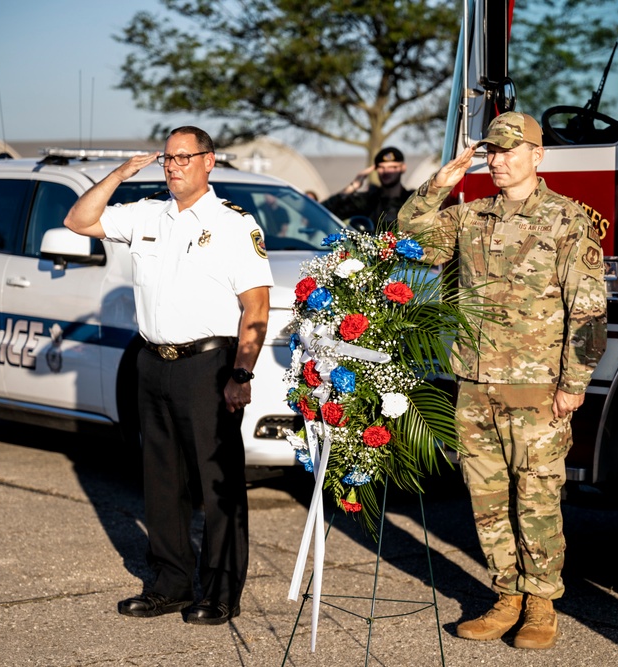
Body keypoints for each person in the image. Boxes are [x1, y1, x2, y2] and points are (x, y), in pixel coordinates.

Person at [396, 111, 607, 650]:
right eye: (492, 150)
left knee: (536, 497)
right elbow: (410, 236)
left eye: (510, 150)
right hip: (475, 383)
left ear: (537, 155)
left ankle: (540, 603)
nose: (498, 160)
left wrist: (573, 383)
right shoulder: (470, 215)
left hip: (537, 386)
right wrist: (440, 183)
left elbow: (588, 310)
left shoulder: (567, 219)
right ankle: (506, 595)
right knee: (486, 497)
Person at [63, 126, 273, 626]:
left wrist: (241, 372)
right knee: (161, 481)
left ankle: (221, 592)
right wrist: (119, 174)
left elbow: (256, 307)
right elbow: (77, 220)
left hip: (209, 366)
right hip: (152, 362)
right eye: (167, 158)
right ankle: (170, 584)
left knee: (217, 484)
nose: (173, 166)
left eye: (184, 157)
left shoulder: (233, 224)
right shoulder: (147, 214)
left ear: (209, 161)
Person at [323, 146, 412, 229]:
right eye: (381, 167)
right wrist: (353, 186)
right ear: (375, 169)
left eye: (392, 167)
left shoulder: (413, 201)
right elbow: (322, 212)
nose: (386, 172)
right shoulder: (368, 201)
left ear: (403, 168)